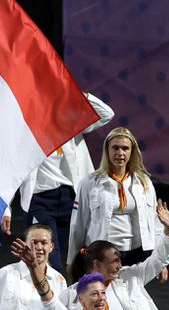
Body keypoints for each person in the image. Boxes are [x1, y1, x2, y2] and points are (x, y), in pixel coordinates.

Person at [10, 92, 113, 272]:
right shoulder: (24, 131)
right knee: (48, 260)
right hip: (40, 201)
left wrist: (83, 96)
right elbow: (12, 169)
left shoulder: (70, 124)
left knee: (72, 259)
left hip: (69, 199)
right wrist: (6, 209)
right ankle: (50, 298)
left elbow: (106, 114)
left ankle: (69, 298)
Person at [62, 201, 169, 310]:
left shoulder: (128, 278)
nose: (119, 265)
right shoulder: (73, 294)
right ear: (97, 264)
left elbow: (158, 261)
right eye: (114, 261)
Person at [68, 127, 165, 272]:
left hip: (136, 253)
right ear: (107, 151)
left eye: (125, 148)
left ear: (132, 152)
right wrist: (72, 260)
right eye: (115, 148)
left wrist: (160, 262)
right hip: (101, 255)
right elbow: (78, 224)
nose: (120, 153)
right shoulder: (89, 182)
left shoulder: (144, 182)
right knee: (101, 294)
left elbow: (155, 223)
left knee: (132, 294)